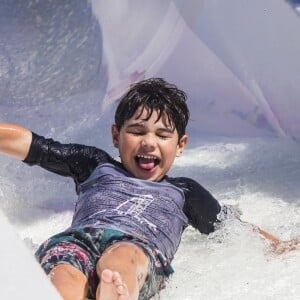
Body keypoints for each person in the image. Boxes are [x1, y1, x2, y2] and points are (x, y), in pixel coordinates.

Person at [0, 78, 298, 300]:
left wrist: (279, 245)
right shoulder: (94, 165)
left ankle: (115, 291)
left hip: (139, 249)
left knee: (124, 259)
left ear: (180, 145)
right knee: (64, 275)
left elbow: (231, 228)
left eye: (163, 134)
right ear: (116, 135)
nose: (148, 142)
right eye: (137, 131)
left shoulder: (185, 194)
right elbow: (35, 147)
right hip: (77, 241)